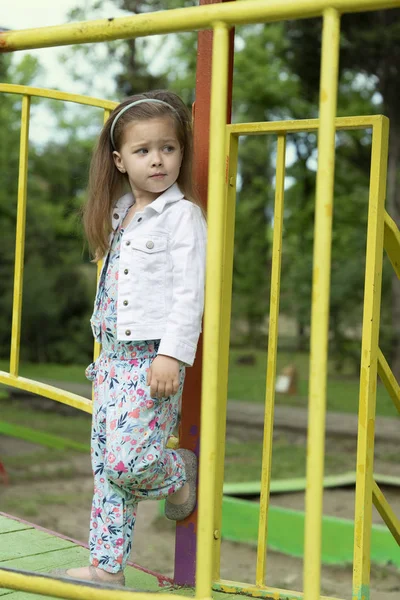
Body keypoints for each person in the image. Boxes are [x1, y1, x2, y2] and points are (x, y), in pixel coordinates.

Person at [51, 90, 207, 587]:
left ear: (182, 152)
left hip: (152, 361)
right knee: (106, 465)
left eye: (168, 148)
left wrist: (171, 355)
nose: (158, 160)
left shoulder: (182, 216)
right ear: (120, 161)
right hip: (112, 360)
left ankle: (177, 474)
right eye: (143, 151)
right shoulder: (121, 211)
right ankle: (106, 568)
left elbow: (189, 293)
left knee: (129, 460)